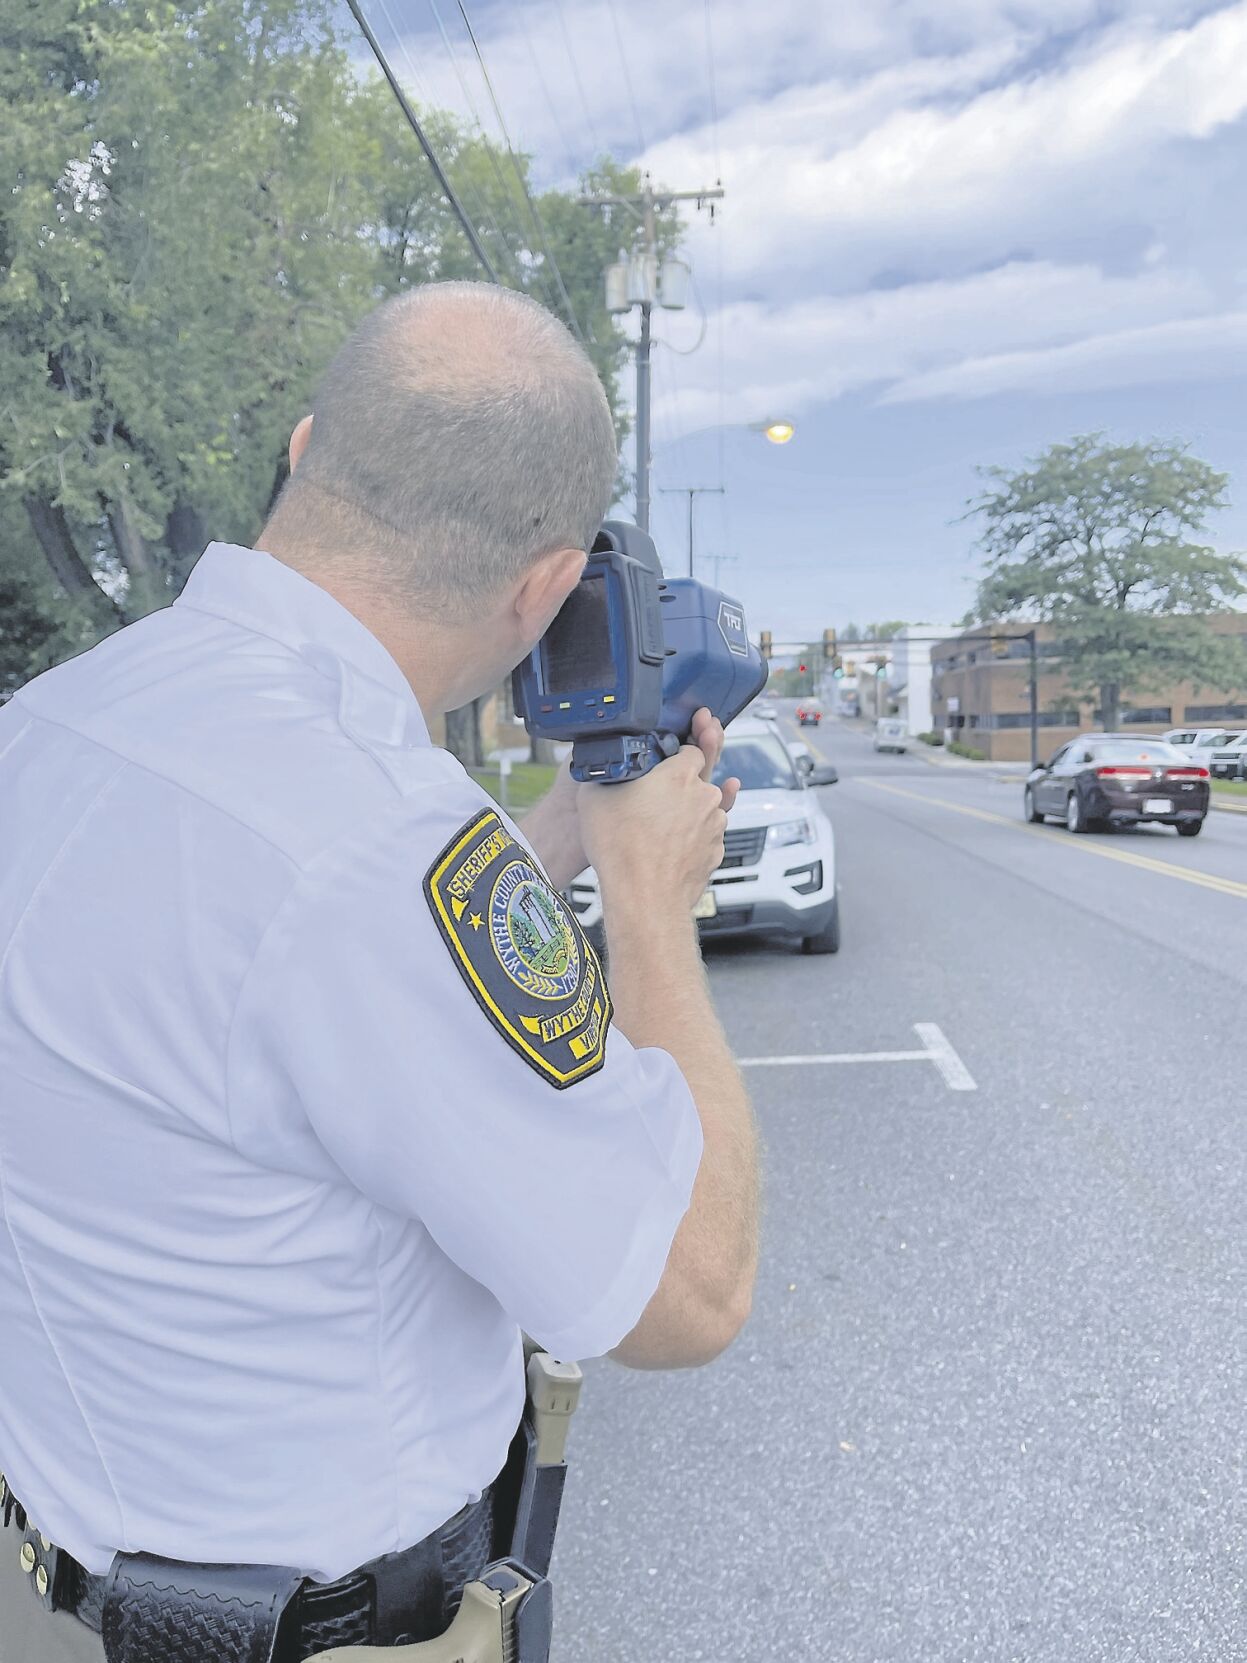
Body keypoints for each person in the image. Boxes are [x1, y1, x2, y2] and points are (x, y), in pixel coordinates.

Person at [0, 281, 758, 1661]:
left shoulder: (53, 727)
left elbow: (292, 958)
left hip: (51, 1593)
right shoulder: (382, 845)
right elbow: (688, 1293)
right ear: (543, 587)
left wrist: (554, 838)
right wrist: (653, 905)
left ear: (303, 450)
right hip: (314, 1635)